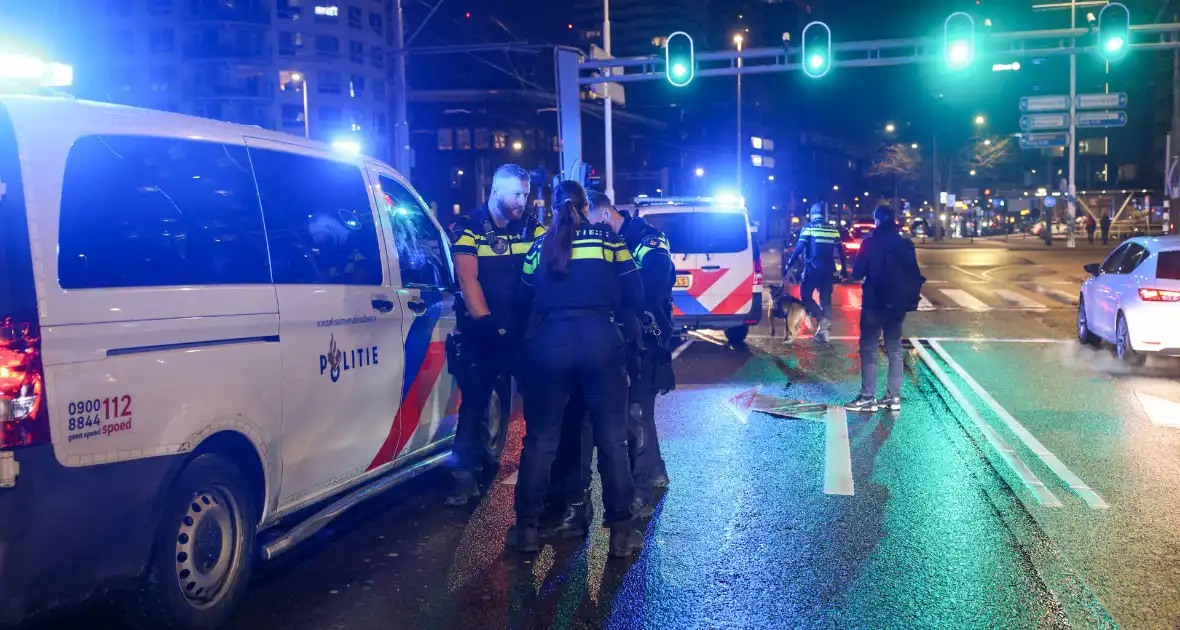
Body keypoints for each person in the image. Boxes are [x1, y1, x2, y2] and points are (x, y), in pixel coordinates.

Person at [509, 181, 645, 558]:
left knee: (540, 440)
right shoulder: (607, 241)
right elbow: (636, 292)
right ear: (587, 206)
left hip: (550, 346)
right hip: (601, 342)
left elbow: (521, 302)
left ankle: (527, 530)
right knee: (611, 439)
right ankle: (620, 532)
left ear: (550, 208)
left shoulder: (539, 246)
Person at [544, 192, 675, 534]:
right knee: (608, 418)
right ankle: (649, 472)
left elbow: (656, 282)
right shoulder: (604, 240)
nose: (590, 229)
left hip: (645, 336)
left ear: (605, 213)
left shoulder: (647, 237)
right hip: (611, 340)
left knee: (636, 414)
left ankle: (640, 496)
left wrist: (617, 294)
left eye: (594, 221)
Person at [444, 164, 544, 506]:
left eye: (526, 194)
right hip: (482, 332)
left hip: (522, 331)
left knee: (538, 403)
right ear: (496, 192)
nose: (522, 200)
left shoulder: (531, 226)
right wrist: (487, 323)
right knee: (473, 404)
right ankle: (462, 480)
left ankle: (540, 478)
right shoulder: (470, 227)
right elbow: (468, 280)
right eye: (516, 194)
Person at [845, 205, 925, 413]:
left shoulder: (870, 244)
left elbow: (857, 273)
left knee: (869, 348)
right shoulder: (906, 245)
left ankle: (868, 397)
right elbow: (913, 273)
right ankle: (893, 396)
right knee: (894, 348)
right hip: (898, 304)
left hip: (875, 303)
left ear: (877, 221)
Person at [785, 204, 846, 342]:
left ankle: (821, 319)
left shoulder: (809, 227)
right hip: (828, 270)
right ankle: (824, 334)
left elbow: (799, 248)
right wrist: (843, 269)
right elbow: (840, 251)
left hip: (812, 269)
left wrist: (790, 263)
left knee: (805, 296)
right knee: (826, 300)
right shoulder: (832, 229)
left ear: (812, 215)